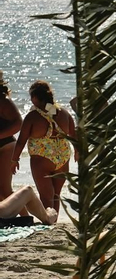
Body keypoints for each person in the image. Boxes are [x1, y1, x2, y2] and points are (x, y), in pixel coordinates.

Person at [13, 81, 75, 211]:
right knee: (56, 195)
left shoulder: (33, 116)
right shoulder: (64, 113)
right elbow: (74, 135)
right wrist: (78, 152)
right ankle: (53, 220)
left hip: (43, 157)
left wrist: (14, 160)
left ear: (35, 97)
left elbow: (21, 141)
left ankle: (47, 221)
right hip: (63, 157)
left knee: (46, 197)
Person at [0, 72, 21, 198]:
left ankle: (29, 211)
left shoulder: (3, 100)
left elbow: (18, 123)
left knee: (5, 190)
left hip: (6, 146)